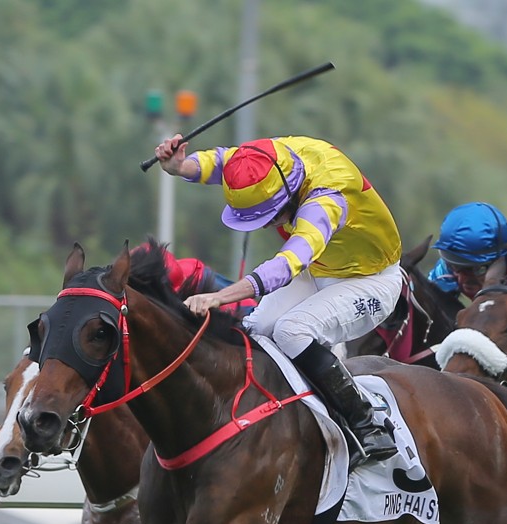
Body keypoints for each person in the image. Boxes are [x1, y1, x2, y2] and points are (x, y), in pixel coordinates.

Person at [154, 133, 403, 465]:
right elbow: (221, 161)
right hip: (320, 268)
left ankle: (367, 424)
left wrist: (219, 297)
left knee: (291, 331)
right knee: (257, 329)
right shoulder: (268, 158)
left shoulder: (326, 200)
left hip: (370, 280)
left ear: (287, 195)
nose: (264, 227)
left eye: (268, 217)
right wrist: (179, 166)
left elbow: (287, 266)